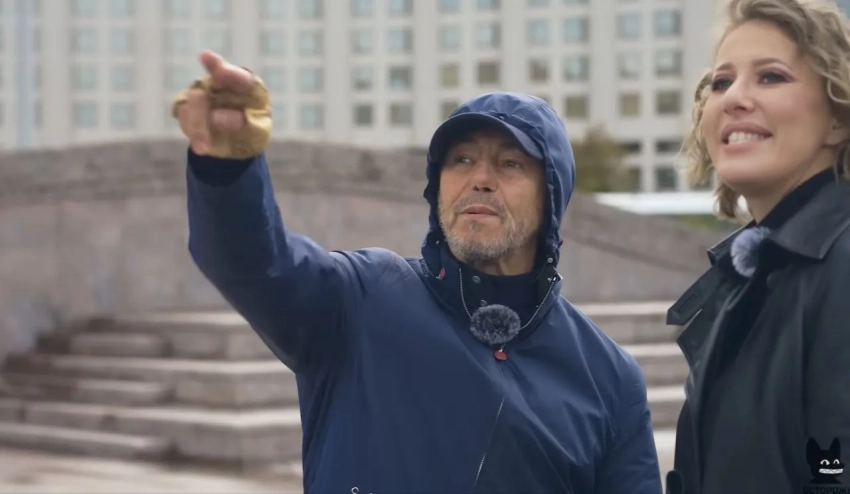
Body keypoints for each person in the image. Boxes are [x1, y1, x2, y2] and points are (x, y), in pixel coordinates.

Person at [172, 50, 662, 494]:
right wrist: (228, 168)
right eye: (461, 159)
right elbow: (254, 262)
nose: (480, 179)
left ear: (551, 196)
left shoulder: (609, 379)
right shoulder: (365, 298)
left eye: (510, 163)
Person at [664, 0, 850, 492]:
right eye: (720, 82)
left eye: (771, 77)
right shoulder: (756, 273)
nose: (734, 99)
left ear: (838, 117)